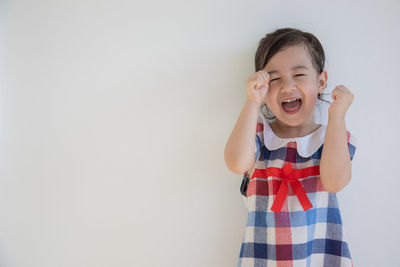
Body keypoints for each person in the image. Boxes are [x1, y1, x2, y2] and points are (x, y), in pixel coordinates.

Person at [224, 27, 357, 267]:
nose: (287, 86)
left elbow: (335, 181)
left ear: (321, 81)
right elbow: (235, 163)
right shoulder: (258, 137)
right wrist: (251, 102)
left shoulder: (331, 139)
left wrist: (337, 115)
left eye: (299, 75)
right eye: (274, 79)